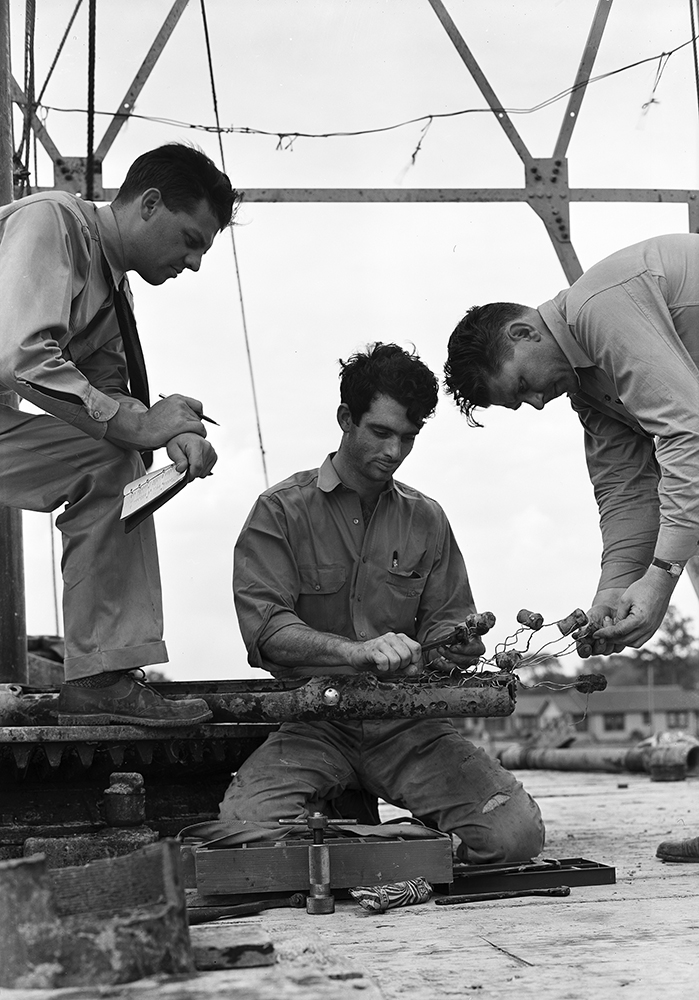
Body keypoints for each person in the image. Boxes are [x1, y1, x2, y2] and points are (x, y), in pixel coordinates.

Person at [220, 343, 544, 865]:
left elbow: (446, 625)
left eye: (409, 438)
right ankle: (391, 843)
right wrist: (356, 652)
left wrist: (456, 647)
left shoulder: (427, 519)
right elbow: (266, 634)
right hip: (314, 723)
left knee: (515, 838)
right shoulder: (279, 511)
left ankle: (369, 841)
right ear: (346, 418)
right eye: (381, 432)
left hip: (409, 724)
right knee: (242, 836)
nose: (394, 451)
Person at [0, 143, 236, 726]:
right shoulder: (51, 221)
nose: (197, 262)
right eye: (191, 240)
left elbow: (109, 395)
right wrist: (136, 427)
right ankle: (102, 671)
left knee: (113, 455)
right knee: (113, 453)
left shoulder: (111, 287)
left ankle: (102, 671)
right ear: (149, 204)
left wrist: (168, 430)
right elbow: (24, 358)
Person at [444, 234, 699, 660]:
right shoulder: (587, 388)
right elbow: (625, 491)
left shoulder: (597, 308)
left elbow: (687, 434)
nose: (540, 402)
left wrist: (662, 575)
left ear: (523, 332)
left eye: (523, 385)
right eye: (521, 403)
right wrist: (612, 596)